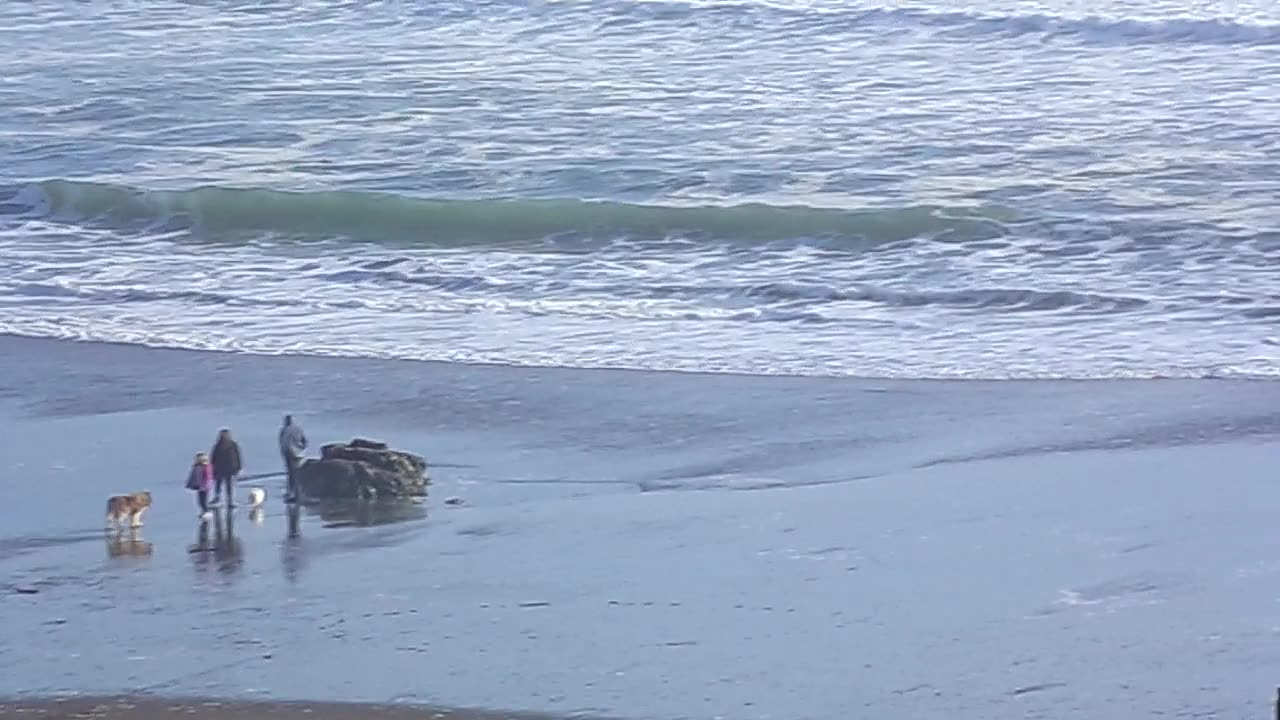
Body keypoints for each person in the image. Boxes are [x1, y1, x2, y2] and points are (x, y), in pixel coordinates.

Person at [210, 428, 243, 507]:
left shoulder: (233, 445)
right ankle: (218, 498)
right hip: (220, 468)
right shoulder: (218, 446)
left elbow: (238, 456)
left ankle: (229, 501)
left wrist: (239, 467)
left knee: (228, 485)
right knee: (219, 484)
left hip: (229, 469)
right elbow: (213, 458)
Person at [278, 414, 308, 502]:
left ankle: (292, 493)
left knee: (291, 474)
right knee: (297, 474)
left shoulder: (284, 430)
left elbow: (283, 443)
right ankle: (298, 493)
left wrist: (283, 453)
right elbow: (305, 442)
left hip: (289, 453)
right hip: (299, 454)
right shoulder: (298, 429)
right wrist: (302, 448)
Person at [185, 452, 214, 518]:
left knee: (203, 500)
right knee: (200, 501)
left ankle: (206, 511)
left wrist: (205, 485)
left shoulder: (206, 467)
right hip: (199, 486)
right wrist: (190, 484)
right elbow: (193, 476)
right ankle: (204, 511)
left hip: (204, 487)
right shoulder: (196, 466)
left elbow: (208, 477)